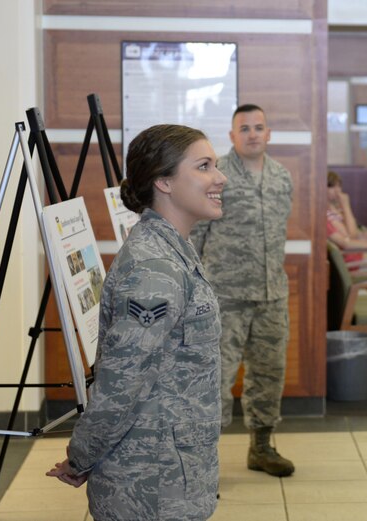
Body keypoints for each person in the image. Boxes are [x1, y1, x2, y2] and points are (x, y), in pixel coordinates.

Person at [46, 124, 227, 520]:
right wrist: (81, 457)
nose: (220, 177)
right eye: (204, 166)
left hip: (173, 471)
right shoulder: (153, 267)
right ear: (164, 181)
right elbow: (120, 384)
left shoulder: (174, 249)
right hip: (149, 485)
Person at [191, 104, 295, 477]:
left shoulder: (282, 177)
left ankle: (262, 447)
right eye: (244, 128)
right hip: (226, 296)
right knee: (215, 377)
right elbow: (197, 233)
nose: (252, 134)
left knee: (269, 373)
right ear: (232, 136)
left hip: (271, 295)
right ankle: (203, 459)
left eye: (259, 127)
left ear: (269, 134)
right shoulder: (214, 175)